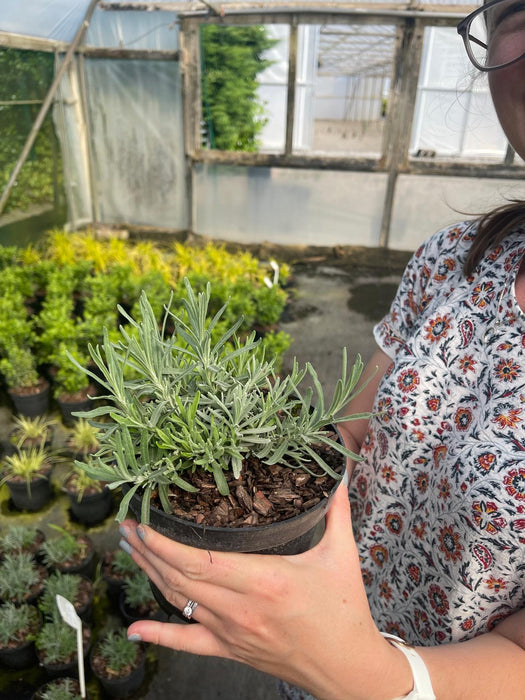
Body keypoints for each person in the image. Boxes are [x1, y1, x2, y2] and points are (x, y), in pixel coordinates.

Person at [117, 4, 525, 698]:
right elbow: (347, 429)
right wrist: (232, 482)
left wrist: (371, 677)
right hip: (309, 644)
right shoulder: (455, 259)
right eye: (519, 10)